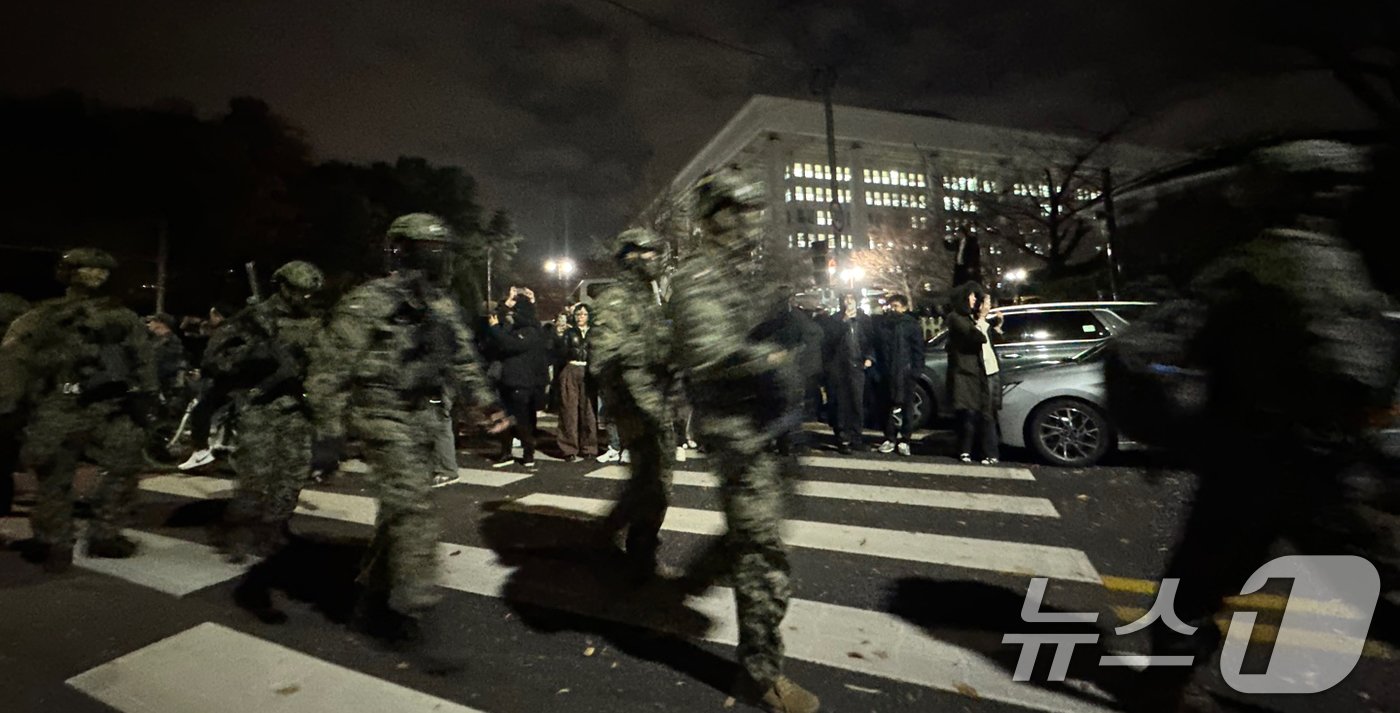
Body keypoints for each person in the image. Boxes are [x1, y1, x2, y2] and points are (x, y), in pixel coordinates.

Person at [1105, 141, 1400, 713]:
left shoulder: (1247, 264)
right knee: (1377, 579)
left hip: (1248, 460)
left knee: (1190, 588)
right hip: (1329, 461)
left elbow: (1143, 352)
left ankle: (1167, 686)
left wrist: (1173, 428)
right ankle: (1166, 685)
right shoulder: (1344, 264)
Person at [307, 213, 509, 673]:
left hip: (420, 416)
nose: (436, 258)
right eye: (425, 249)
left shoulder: (439, 306)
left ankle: (373, 597)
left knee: (397, 509)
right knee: (415, 509)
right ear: (400, 250)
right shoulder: (370, 301)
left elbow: (462, 358)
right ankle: (413, 613)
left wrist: (485, 403)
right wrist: (328, 432)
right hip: (380, 413)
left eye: (440, 249)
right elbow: (329, 369)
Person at [669, 167, 819, 713]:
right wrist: (775, 360)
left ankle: (703, 574)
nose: (752, 220)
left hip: (768, 428)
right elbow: (708, 354)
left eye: (757, 209)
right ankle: (762, 676)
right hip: (737, 434)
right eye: (741, 209)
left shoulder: (739, 276)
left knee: (757, 533)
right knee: (762, 553)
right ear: (714, 217)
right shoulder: (698, 277)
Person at [0, 248, 157, 571]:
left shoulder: (122, 317)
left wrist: (148, 398)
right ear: (69, 273)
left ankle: (105, 532)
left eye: (102, 270)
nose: (97, 275)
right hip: (59, 405)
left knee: (124, 468)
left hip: (111, 407)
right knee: (54, 478)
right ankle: (53, 539)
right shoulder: (43, 316)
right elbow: (15, 360)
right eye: (88, 269)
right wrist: (11, 406)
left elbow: (143, 360)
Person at [208, 261, 326, 562]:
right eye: (299, 292)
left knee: (292, 475)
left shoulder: (315, 323)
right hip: (259, 406)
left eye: (309, 294)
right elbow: (213, 358)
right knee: (255, 476)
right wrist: (251, 354)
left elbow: (327, 364)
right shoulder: (252, 319)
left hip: (298, 408)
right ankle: (237, 533)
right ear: (283, 287)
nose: (304, 299)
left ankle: (272, 531)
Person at [591, 228, 676, 578]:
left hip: (655, 404)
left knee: (648, 483)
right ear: (631, 256)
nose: (657, 260)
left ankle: (615, 539)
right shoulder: (615, 299)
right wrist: (632, 404)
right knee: (655, 484)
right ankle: (640, 554)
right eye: (650, 253)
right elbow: (603, 359)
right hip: (637, 409)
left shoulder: (646, 298)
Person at [486, 287, 551, 468]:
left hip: (521, 383)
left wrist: (496, 329)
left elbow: (509, 344)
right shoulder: (514, 327)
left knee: (521, 420)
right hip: (508, 380)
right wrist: (504, 305)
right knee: (505, 418)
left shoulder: (530, 331)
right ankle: (506, 452)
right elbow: (494, 318)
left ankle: (528, 452)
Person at [945, 282, 1002, 464]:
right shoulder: (957, 318)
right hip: (968, 372)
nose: (975, 300)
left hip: (987, 371)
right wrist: (982, 318)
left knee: (987, 413)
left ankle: (990, 452)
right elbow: (975, 337)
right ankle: (966, 450)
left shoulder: (975, 318)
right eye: (972, 296)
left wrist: (995, 325)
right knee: (968, 413)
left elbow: (992, 340)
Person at [821, 292, 874, 454]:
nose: (849, 302)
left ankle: (856, 437)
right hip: (839, 368)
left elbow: (871, 340)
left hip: (857, 365)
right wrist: (844, 322)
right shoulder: (834, 320)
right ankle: (843, 438)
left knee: (857, 402)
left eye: (852, 299)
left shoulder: (864, 319)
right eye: (846, 299)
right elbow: (829, 341)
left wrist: (870, 357)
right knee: (841, 403)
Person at [875, 294, 926, 457]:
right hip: (887, 372)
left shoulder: (911, 325)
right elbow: (878, 348)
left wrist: (916, 370)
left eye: (896, 306)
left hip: (906, 372)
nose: (893, 309)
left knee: (907, 407)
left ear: (904, 308)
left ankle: (905, 439)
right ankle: (889, 437)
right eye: (891, 306)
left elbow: (918, 349)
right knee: (887, 406)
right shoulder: (883, 325)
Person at [0, 293, 32, 517]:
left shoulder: (14, 346)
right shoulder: (23, 345)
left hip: (9, 410)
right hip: (12, 411)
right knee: (4, 465)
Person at [557, 303, 599, 462]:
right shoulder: (569, 332)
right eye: (578, 314)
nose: (581, 317)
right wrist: (559, 337)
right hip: (572, 368)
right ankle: (568, 448)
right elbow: (561, 353)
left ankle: (589, 447)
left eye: (584, 314)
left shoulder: (594, 332)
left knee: (588, 411)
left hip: (588, 371)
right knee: (569, 410)